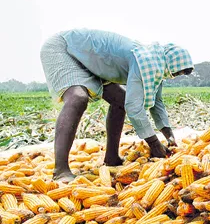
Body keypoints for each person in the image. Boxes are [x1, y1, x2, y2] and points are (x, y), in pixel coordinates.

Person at [40, 29, 194, 183]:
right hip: (64, 49)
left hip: (92, 61)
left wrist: (169, 136)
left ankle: (111, 157)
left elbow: (157, 103)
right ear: (171, 64)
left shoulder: (157, 64)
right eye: (176, 73)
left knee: (120, 100)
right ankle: (60, 170)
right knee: (78, 98)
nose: (173, 76)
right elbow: (133, 106)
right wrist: (154, 143)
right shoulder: (146, 61)